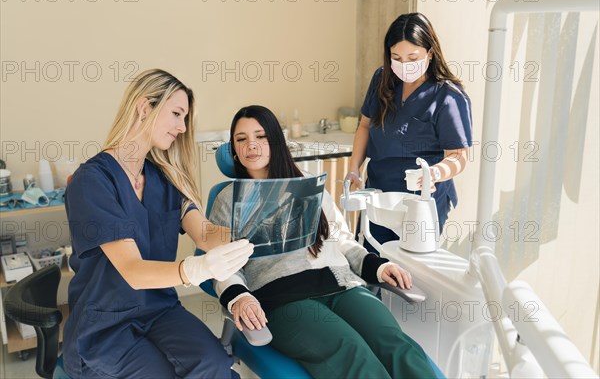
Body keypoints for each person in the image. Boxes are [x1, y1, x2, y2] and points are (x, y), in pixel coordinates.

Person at [209, 105, 443, 379]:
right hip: (283, 300)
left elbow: (340, 239)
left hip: (341, 285)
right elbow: (222, 265)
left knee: (398, 346)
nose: (251, 145)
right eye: (241, 139)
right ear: (234, 149)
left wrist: (377, 267)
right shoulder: (228, 199)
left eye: (261, 136)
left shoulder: (308, 184)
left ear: (276, 141)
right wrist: (240, 297)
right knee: (353, 353)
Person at [62, 69, 254, 378]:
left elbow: (206, 235)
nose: (182, 127)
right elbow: (133, 271)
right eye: (177, 114)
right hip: (105, 325)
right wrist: (198, 269)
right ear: (144, 107)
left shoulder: (164, 179)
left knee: (216, 364)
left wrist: (261, 226)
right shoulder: (92, 181)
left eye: (185, 119)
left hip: (158, 311)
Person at [347, 12, 473, 252]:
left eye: (412, 57)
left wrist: (434, 173)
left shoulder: (448, 97)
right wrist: (354, 168)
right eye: (396, 57)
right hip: (378, 196)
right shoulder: (383, 79)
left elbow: (458, 155)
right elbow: (364, 125)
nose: (404, 66)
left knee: (410, 274)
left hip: (421, 203)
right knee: (373, 264)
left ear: (430, 52)